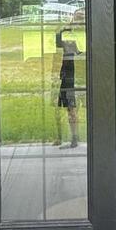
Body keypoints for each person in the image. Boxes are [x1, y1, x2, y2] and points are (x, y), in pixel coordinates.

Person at [52, 13, 84, 148]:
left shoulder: (82, 35)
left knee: (72, 108)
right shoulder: (67, 33)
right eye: (76, 18)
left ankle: (74, 137)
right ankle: (64, 137)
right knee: (64, 107)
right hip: (66, 74)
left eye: (80, 19)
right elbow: (58, 40)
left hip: (75, 75)